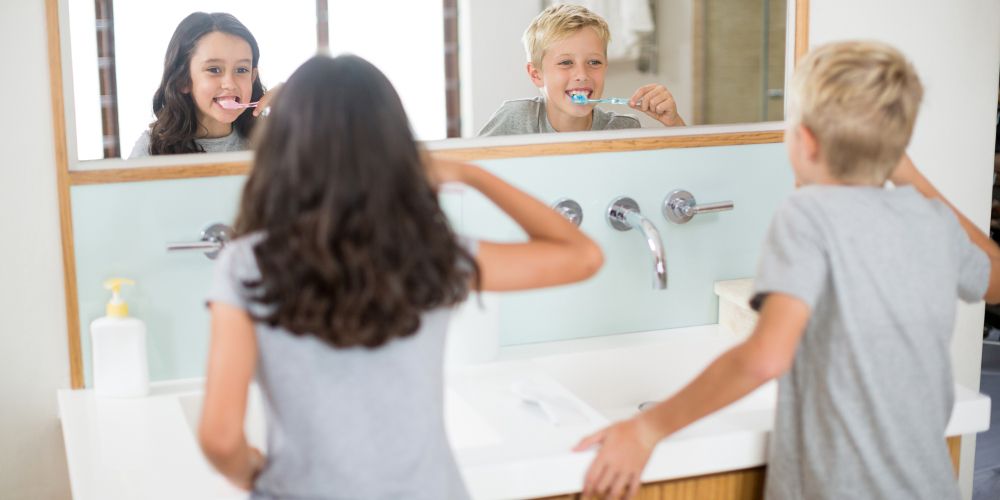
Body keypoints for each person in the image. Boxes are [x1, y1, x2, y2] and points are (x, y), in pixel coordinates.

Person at [574, 41, 1000, 500]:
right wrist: (910, 176)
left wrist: (646, 429)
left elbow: (765, 357)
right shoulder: (930, 217)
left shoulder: (808, 215)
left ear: (807, 141)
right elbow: (993, 281)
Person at [197, 54, 603, 499]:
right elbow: (582, 256)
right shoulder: (430, 254)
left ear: (282, 148)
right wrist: (471, 174)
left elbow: (219, 438)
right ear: (394, 147)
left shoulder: (246, 263)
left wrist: (253, 472)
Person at [477, 4, 685, 137]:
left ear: (605, 66)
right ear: (536, 74)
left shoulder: (622, 130)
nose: (582, 75)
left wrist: (674, 123)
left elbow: (686, 178)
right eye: (566, 63)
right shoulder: (516, 120)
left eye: (594, 62)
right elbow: (468, 175)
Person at [129, 12, 276, 158]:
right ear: (182, 80)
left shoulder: (272, 140)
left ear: (252, 77)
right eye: (214, 69)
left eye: (241, 70)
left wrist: (294, 107)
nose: (230, 84)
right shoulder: (151, 149)